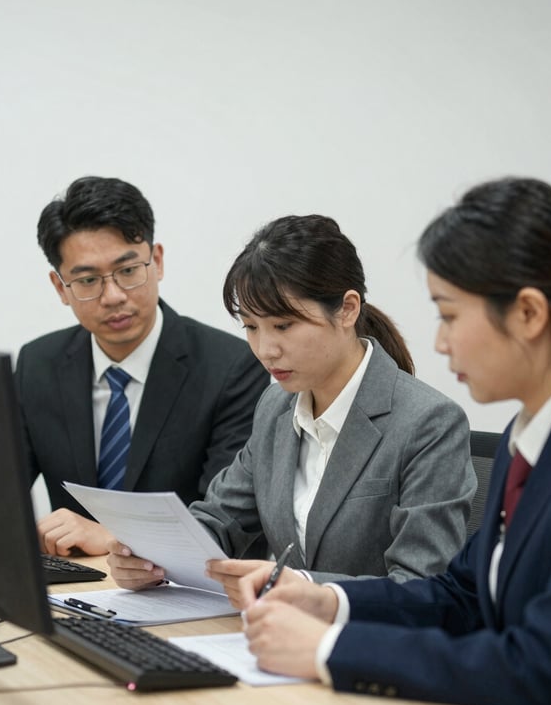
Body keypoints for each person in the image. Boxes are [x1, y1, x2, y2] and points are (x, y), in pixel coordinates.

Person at [238, 178, 551, 705]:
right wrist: (329, 601)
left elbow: (542, 666)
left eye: (450, 315)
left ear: (528, 313)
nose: (439, 342)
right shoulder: (535, 432)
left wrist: (328, 650)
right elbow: (462, 596)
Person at [108, 214, 476, 598]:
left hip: (369, 646)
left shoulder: (429, 423)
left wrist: (303, 587)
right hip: (277, 640)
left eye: (283, 326)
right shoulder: (276, 407)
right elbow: (221, 520)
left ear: (348, 309)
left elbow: (423, 585)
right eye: (251, 327)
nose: (266, 349)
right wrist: (148, 556)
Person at [14, 176, 269, 556]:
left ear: (158, 261)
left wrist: (115, 539)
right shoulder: (39, 363)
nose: (114, 296)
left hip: (181, 594)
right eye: (87, 280)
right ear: (59, 286)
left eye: (129, 271)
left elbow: (230, 522)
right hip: (74, 592)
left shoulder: (232, 368)